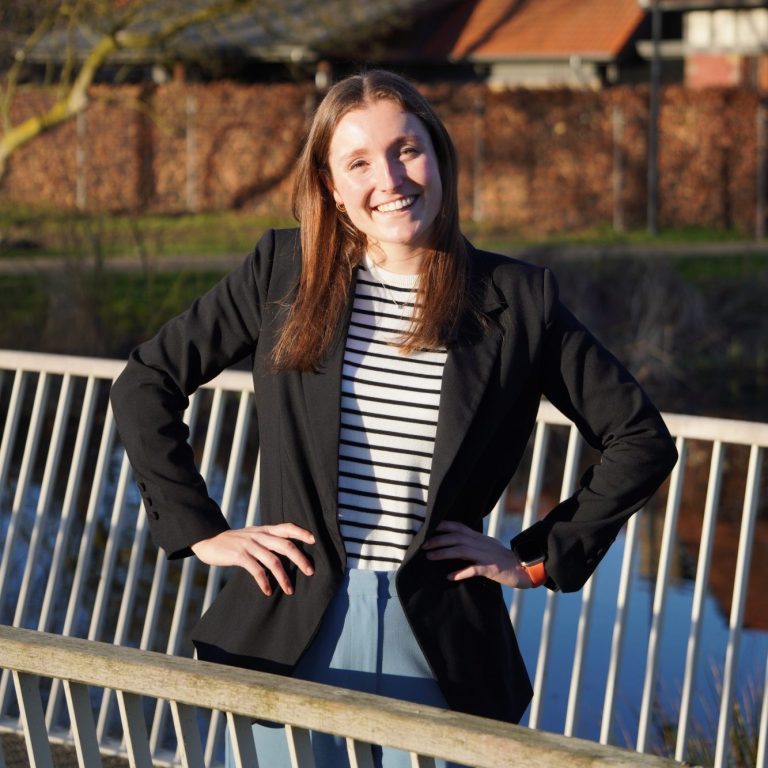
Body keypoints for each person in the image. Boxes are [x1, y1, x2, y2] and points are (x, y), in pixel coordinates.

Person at [110, 69, 677, 767]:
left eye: (407, 150)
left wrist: (534, 558)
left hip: (441, 641)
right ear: (330, 185)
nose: (390, 179)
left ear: (438, 156)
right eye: (358, 162)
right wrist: (201, 531)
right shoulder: (280, 272)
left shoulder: (518, 299)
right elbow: (147, 382)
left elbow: (640, 439)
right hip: (291, 623)